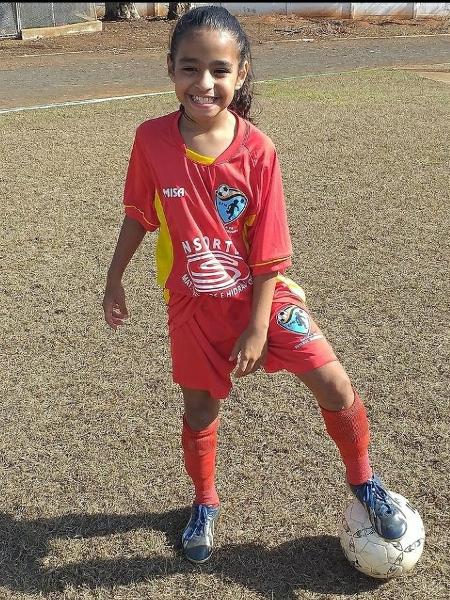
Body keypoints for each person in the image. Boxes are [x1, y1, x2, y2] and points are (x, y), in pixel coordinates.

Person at [102, 5, 407, 565]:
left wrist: (257, 325)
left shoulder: (258, 150)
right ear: (170, 69)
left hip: (263, 299)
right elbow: (139, 213)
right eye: (190, 68)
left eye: (219, 70)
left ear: (240, 75)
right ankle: (204, 502)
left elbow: (268, 253)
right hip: (192, 305)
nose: (204, 83)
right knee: (199, 409)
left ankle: (365, 482)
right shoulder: (150, 141)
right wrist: (114, 276)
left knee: (333, 382)